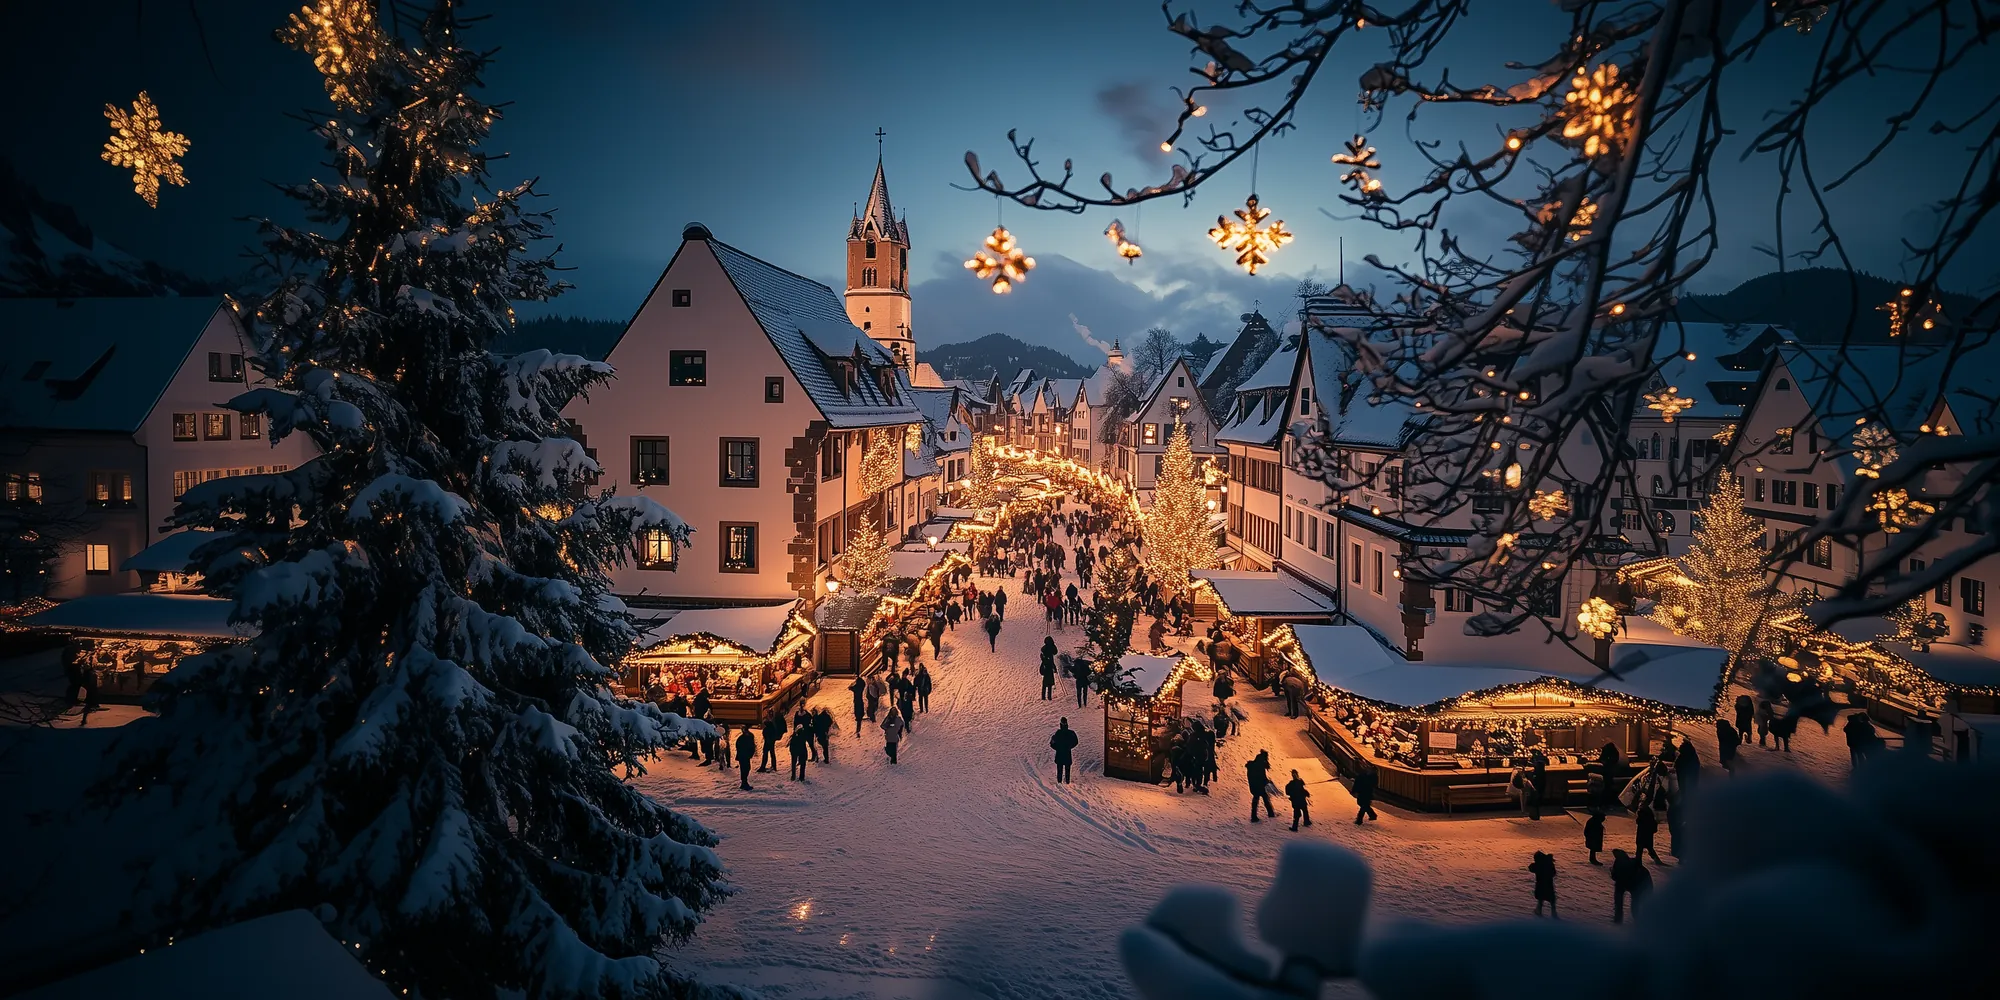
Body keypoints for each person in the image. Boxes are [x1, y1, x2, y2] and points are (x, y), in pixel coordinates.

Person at [1610, 849, 1652, 924]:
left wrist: (1613, 873)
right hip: (1635, 882)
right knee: (1636, 902)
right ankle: (1637, 919)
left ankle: (1621, 920)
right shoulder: (1626, 863)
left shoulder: (1620, 863)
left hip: (1638, 882)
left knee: (1634, 902)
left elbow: (1615, 876)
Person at [1246, 750, 1277, 822]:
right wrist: (1267, 782)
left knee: (1256, 800)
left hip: (1253, 786)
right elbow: (1262, 777)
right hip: (1259, 786)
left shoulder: (1252, 766)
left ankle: (1254, 816)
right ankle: (1270, 813)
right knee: (1265, 799)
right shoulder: (1260, 766)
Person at [1529, 851, 1559, 918]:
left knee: (1541, 898)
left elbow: (1531, 868)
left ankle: (1538, 911)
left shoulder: (1538, 865)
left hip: (1540, 885)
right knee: (1551, 900)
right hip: (1549, 884)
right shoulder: (1549, 863)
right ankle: (1553, 914)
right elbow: (1553, 873)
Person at [1050, 718, 1079, 783]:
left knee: (1059, 770)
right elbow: (1076, 742)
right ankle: (1067, 782)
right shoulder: (1071, 733)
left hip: (1059, 754)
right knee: (1067, 769)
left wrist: (1058, 748)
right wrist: (1069, 747)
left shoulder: (1058, 733)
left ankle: (1059, 782)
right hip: (1067, 754)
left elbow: (1052, 744)